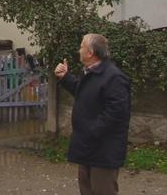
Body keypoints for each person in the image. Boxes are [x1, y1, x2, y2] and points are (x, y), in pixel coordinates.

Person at [55, 34, 131, 195]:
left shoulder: (113, 77)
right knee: (86, 189)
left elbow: (117, 111)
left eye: (82, 46)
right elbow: (84, 92)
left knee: (102, 190)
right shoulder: (91, 73)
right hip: (88, 147)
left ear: (90, 52)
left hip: (103, 150)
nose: (79, 50)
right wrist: (66, 77)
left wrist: (91, 130)